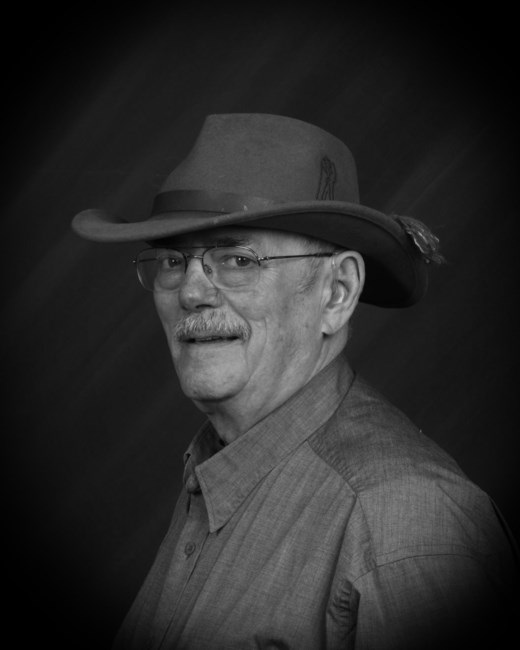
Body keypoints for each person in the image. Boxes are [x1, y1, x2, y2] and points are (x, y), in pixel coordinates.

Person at [72, 114, 517, 649]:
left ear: (337, 293)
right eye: (172, 260)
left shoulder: (407, 522)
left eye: (238, 260)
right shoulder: (217, 467)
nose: (191, 292)